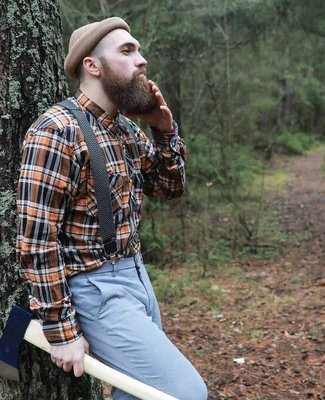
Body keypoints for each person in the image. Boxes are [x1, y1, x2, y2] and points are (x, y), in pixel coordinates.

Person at [16, 17, 207, 400]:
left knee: (137, 392)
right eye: (127, 51)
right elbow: (36, 241)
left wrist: (163, 130)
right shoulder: (57, 130)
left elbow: (170, 188)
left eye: (138, 50)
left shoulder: (126, 129)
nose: (142, 60)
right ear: (92, 66)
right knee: (186, 393)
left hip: (137, 279)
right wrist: (62, 331)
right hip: (97, 291)